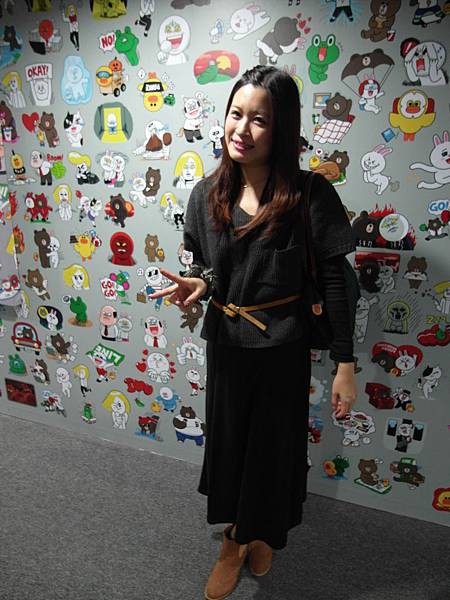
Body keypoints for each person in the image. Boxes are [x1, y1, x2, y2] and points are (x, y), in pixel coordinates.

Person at [150, 65, 358, 600]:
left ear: (281, 127)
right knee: (231, 446)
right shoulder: (206, 194)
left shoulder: (310, 193)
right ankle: (233, 540)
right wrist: (201, 283)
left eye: (258, 119)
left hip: (284, 347)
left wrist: (345, 363)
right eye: (235, 114)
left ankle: (258, 533)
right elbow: (213, 268)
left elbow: (335, 282)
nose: (241, 129)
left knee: (272, 449)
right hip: (227, 343)